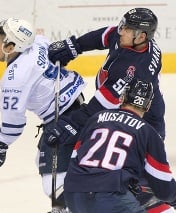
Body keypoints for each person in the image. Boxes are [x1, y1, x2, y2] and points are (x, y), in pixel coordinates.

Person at [45, 7, 171, 212]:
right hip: (125, 107)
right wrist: (75, 45)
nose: (121, 31)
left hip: (143, 118)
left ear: (142, 36)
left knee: (124, 160)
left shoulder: (134, 69)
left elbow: (98, 108)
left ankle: (139, 198)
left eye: (127, 29)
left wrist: (68, 125)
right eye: (123, 26)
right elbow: (105, 35)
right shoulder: (130, 38)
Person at [0, 17, 86, 212]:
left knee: (52, 184)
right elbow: (46, 43)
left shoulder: (14, 79)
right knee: (43, 158)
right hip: (82, 107)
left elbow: (13, 126)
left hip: (63, 120)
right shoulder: (38, 42)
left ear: (11, 46)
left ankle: (72, 208)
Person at [63, 79, 176, 213]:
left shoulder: (95, 119)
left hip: (73, 193)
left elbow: (75, 157)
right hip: (109, 196)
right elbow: (163, 186)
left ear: (122, 97)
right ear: (148, 105)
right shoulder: (148, 132)